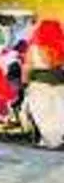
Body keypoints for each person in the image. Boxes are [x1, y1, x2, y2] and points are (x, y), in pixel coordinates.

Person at [23, 20, 64, 148]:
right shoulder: (61, 49)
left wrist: (24, 84)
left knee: (43, 113)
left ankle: (50, 139)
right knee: (59, 113)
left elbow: (26, 68)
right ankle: (56, 138)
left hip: (39, 86)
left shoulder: (33, 49)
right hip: (60, 86)